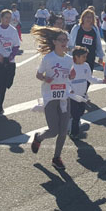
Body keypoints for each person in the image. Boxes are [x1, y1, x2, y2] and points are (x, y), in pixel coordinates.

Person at [30, 26, 73, 170]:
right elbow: (38, 75)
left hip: (64, 97)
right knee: (53, 131)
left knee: (63, 130)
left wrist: (72, 76)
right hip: (50, 97)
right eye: (61, 40)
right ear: (54, 42)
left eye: (65, 40)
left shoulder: (69, 60)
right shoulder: (48, 58)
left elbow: (70, 76)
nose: (64, 42)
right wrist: (45, 78)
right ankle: (39, 137)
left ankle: (56, 157)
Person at [68, 46, 104, 139]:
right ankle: (73, 133)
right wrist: (69, 89)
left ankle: (70, 125)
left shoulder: (86, 66)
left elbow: (90, 78)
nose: (86, 58)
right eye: (84, 56)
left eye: (86, 56)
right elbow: (66, 81)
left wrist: (102, 81)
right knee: (76, 116)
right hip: (72, 96)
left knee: (80, 113)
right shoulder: (70, 66)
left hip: (82, 95)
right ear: (76, 56)